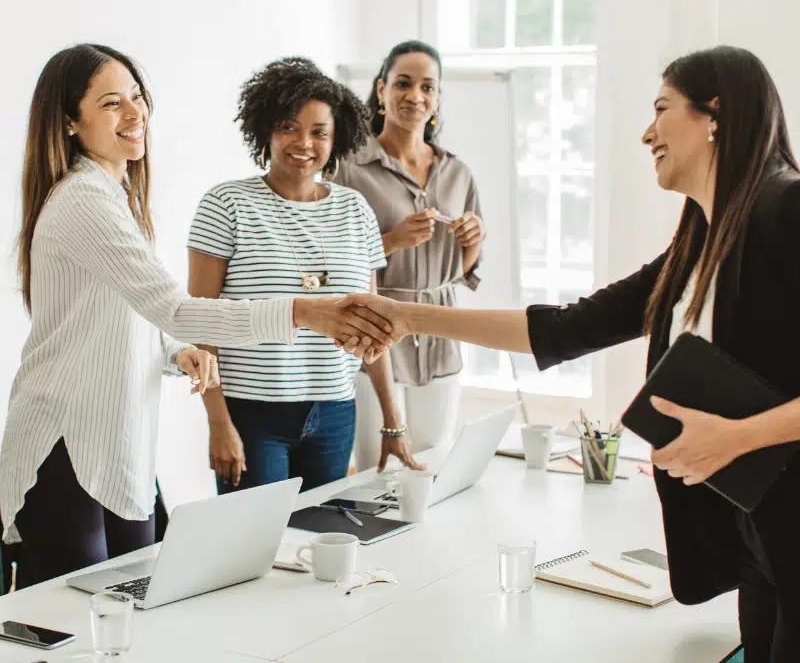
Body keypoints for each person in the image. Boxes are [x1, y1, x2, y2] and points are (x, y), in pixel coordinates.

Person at [345, 46, 800, 661]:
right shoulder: (700, 241)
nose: (647, 133)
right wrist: (405, 316)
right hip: (760, 535)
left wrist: (737, 437)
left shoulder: (788, 208)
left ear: (714, 114)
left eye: (662, 109)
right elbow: (561, 329)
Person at [0, 44, 391, 588]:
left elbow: (127, 321)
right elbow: (177, 308)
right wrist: (304, 312)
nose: (136, 113)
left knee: (135, 601)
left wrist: (174, 353)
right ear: (70, 121)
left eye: (136, 96)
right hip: (67, 438)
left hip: (116, 440)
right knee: (75, 623)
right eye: (112, 103)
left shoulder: (113, 197)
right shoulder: (84, 200)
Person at [187, 58, 419, 495]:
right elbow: (199, 324)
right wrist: (219, 424)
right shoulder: (226, 204)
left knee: (323, 542)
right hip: (252, 415)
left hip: (335, 413)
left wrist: (393, 422)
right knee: (255, 547)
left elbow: (376, 328)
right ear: (266, 130)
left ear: (337, 138)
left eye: (319, 132)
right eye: (289, 127)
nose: (303, 143)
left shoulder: (355, 210)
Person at [335, 40, 485, 472]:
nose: (414, 96)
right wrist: (394, 240)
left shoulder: (458, 172)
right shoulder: (349, 168)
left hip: (440, 334)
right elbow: (336, 261)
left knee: (433, 463)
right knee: (373, 468)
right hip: (373, 331)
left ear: (437, 99)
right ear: (381, 90)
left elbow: (467, 272)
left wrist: (472, 240)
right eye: (403, 83)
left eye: (427, 87)